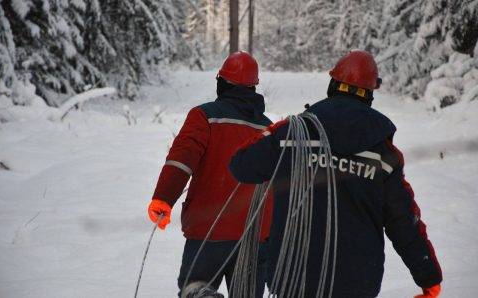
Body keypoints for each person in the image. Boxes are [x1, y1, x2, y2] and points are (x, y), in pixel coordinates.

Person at [228, 50, 443, 298]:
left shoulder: (292, 133)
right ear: (369, 95)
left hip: (294, 279)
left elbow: (241, 165)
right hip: (356, 281)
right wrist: (428, 277)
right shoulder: (383, 152)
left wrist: (273, 133)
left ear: (333, 85)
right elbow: (403, 220)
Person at [147, 51, 273, 297]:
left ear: (222, 83)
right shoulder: (267, 128)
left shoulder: (204, 116)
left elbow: (181, 161)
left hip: (209, 230)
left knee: (195, 290)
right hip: (254, 237)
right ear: (253, 88)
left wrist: (163, 198)